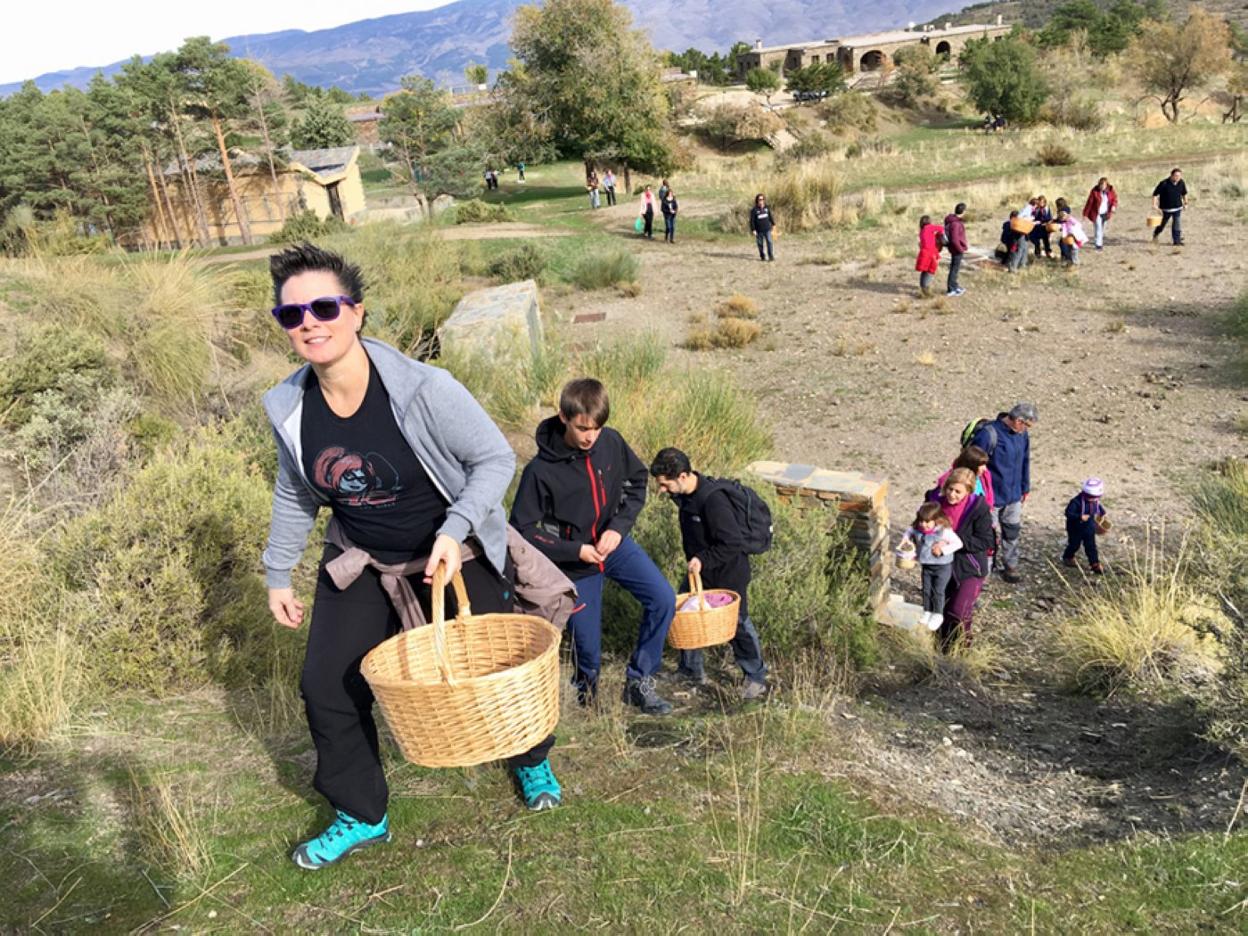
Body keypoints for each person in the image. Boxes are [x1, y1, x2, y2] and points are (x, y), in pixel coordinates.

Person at [261, 244, 563, 870]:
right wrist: (277, 570)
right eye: (292, 315)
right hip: (362, 560)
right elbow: (295, 490)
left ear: (357, 312)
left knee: (500, 668)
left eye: (323, 307)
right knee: (325, 684)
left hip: (457, 551)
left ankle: (531, 761)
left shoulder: (426, 389)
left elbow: (493, 460)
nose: (310, 323)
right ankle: (362, 813)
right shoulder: (288, 407)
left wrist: (455, 529)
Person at [511, 379, 676, 715]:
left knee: (663, 599)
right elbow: (522, 530)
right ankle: (587, 697)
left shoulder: (611, 442)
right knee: (588, 650)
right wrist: (575, 551)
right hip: (576, 562)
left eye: (597, 429)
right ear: (563, 417)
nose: (591, 437)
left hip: (615, 547)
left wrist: (618, 528)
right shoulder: (540, 471)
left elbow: (637, 480)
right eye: (583, 428)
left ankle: (639, 681)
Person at [650, 448, 769, 699]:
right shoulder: (685, 496)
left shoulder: (713, 500)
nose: (662, 490)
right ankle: (691, 670)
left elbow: (732, 543)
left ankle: (756, 677)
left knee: (738, 624)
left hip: (729, 572)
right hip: (701, 571)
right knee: (686, 616)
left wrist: (701, 559)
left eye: (665, 484)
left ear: (682, 476)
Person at [969, 403, 1036, 584]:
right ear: (1018, 420)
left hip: (1013, 495)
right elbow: (973, 462)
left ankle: (1010, 565)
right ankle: (984, 572)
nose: (1027, 429)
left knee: (1012, 531)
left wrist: (1025, 487)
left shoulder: (1022, 435)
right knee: (987, 535)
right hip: (991, 497)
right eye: (1027, 425)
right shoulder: (989, 434)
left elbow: (1025, 461)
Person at [928, 468, 994, 650]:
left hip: (970, 567)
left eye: (958, 491)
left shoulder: (978, 508)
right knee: (941, 611)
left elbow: (986, 541)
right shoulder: (935, 503)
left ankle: (963, 649)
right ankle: (941, 649)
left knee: (959, 611)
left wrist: (954, 540)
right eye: (950, 489)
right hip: (941, 566)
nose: (952, 494)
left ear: (969, 491)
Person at [899, 501, 963, 632]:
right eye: (921, 521)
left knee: (938, 590)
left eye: (927, 522)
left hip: (942, 566)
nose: (924, 525)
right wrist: (905, 540)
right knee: (927, 589)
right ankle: (927, 611)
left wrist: (943, 550)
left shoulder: (944, 532)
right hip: (927, 566)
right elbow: (908, 532)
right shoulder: (918, 528)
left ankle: (938, 614)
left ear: (936, 520)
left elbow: (958, 543)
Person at [1062, 477, 1107, 574]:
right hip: (1075, 528)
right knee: (1074, 544)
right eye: (1090, 497)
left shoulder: (1095, 502)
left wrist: (1102, 514)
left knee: (1091, 546)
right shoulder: (1076, 502)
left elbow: (1099, 508)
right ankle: (1068, 556)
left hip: (1089, 527)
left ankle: (1094, 564)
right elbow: (1068, 513)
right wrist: (1079, 517)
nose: (1093, 500)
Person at [1152, 167, 1187, 246]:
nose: (1177, 178)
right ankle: (1156, 234)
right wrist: (1154, 205)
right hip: (1166, 209)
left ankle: (1176, 241)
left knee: (1177, 224)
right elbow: (1155, 194)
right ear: (1171, 175)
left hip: (1177, 208)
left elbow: (1184, 193)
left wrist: (1186, 203)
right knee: (1162, 224)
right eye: (1176, 176)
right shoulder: (1164, 183)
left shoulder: (1181, 182)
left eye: (1179, 176)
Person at [1082, 177, 1117, 250]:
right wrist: (1085, 213)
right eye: (1100, 185)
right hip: (1096, 213)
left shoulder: (1111, 191)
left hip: (1105, 213)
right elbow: (1089, 203)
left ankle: (1097, 240)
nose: (1102, 187)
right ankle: (1098, 245)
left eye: (1103, 185)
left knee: (1102, 229)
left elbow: (1114, 199)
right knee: (1098, 228)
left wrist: (1113, 206)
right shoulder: (1094, 191)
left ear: (1106, 185)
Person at [915, 214, 944, 297]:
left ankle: (922, 287)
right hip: (931, 253)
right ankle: (926, 289)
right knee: (930, 270)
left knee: (924, 270)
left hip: (924, 252)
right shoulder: (929, 227)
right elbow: (941, 228)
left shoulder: (922, 231)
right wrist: (939, 235)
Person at [944, 202, 968, 297]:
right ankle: (951, 289)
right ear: (963, 211)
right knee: (954, 269)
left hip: (954, 248)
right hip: (956, 249)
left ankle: (954, 285)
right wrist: (960, 249)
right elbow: (954, 239)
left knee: (955, 268)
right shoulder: (956, 224)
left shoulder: (951, 220)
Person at [749, 193, 775, 262]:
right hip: (759, 230)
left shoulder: (767, 208)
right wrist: (753, 230)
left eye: (763, 199)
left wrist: (773, 224)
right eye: (760, 199)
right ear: (757, 200)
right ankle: (762, 256)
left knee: (769, 242)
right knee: (760, 244)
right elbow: (752, 221)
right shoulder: (754, 210)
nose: (761, 201)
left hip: (767, 229)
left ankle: (770, 256)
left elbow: (770, 217)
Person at [1028, 195, 1054, 260]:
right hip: (1036, 228)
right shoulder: (1035, 209)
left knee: (1046, 241)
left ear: (1045, 202)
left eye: (1042, 202)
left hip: (1044, 227)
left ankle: (1048, 253)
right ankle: (1037, 255)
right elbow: (1033, 218)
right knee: (1037, 242)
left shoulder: (1047, 208)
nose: (1041, 203)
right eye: (1040, 202)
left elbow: (1050, 218)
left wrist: (1048, 223)